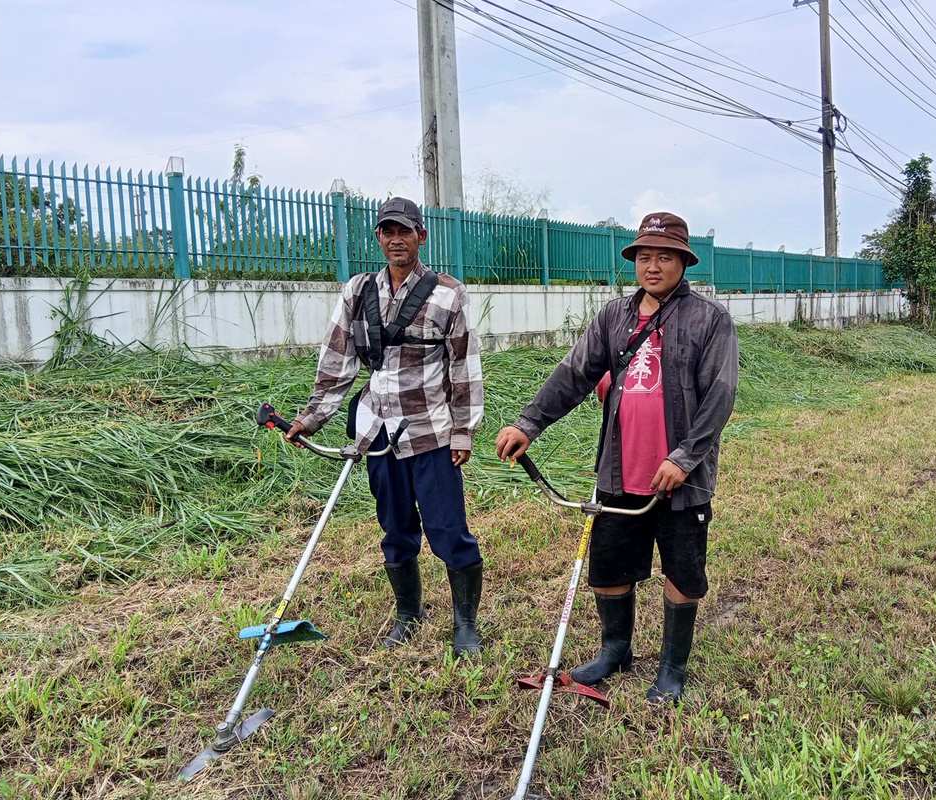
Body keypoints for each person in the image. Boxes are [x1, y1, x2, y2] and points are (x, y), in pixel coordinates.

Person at [496, 211, 738, 704]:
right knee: (608, 569)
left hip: (679, 477)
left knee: (683, 572)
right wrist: (528, 423)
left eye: (665, 256)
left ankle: (672, 666)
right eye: (644, 256)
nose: (653, 266)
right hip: (618, 467)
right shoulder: (614, 317)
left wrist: (686, 457)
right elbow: (574, 374)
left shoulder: (710, 320)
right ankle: (615, 650)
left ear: (683, 262)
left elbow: (720, 394)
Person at [285, 196, 486, 658]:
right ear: (378, 237)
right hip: (377, 431)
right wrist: (311, 418)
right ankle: (408, 614)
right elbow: (337, 361)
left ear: (422, 235)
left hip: (431, 430)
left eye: (406, 231)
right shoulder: (358, 291)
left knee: (448, 529)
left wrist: (463, 431)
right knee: (395, 527)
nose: (397, 239)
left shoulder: (448, 292)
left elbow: (465, 366)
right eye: (388, 232)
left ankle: (465, 624)